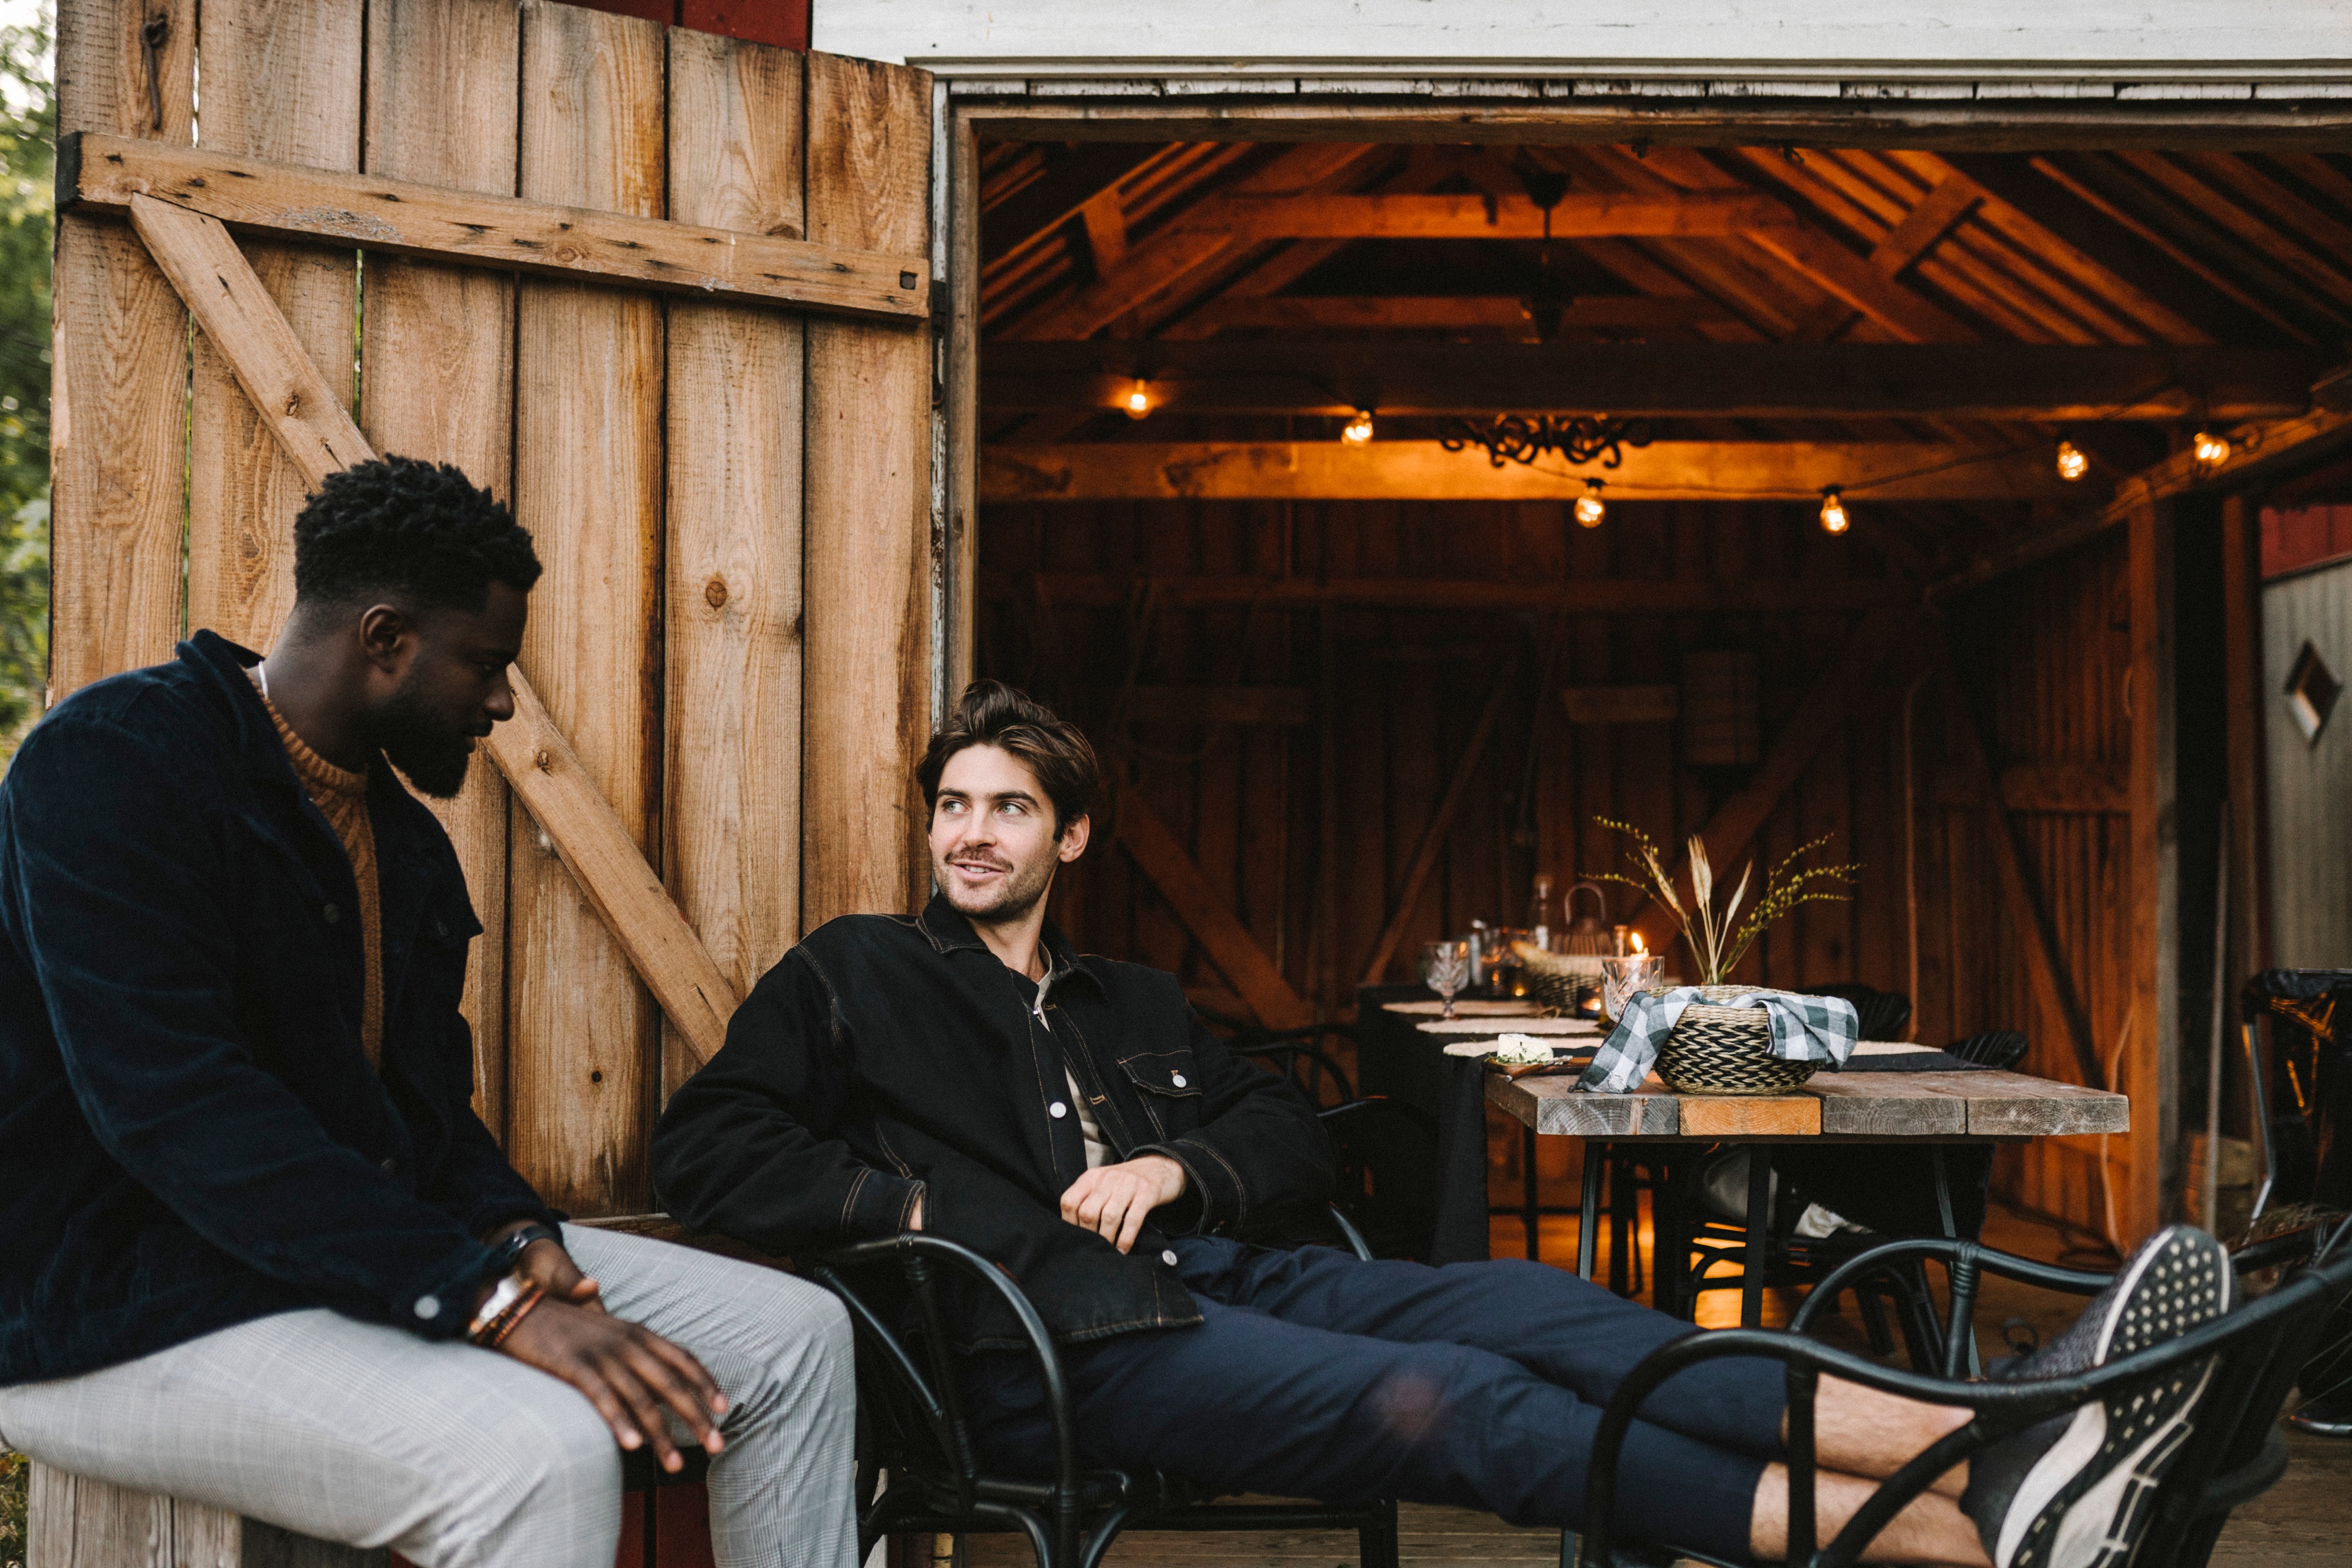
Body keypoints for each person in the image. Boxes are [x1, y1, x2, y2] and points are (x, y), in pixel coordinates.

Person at [652, 680, 2233, 1568]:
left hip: (1233, 1270)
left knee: (1557, 1309)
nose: (968, 831)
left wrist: (1172, 1161)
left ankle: (1990, 1443)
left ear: (1069, 832)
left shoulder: (1126, 993)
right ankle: (1949, 1533)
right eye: (950, 804)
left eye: (1003, 805)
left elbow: (1284, 1131)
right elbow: (710, 1147)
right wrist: (926, 1214)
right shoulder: (854, 970)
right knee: (1459, 1399)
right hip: (1044, 1347)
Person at [0, 457, 856, 1568]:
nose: (501, 701)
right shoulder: (116, 762)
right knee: (537, 1456)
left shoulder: (400, 843)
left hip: (328, 1258)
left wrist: (517, 1236)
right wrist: (488, 1300)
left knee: (794, 1339)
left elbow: (431, 1121)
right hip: (112, 1307)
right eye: (486, 663)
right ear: (385, 637)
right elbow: (177, 1109)